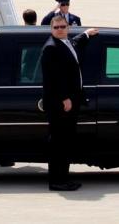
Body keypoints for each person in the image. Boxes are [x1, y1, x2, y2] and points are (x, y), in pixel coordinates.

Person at [41, 16, 99, 191]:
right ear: (51, 29)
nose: (59, 29)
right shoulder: (51, 48)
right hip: (60, 104)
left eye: (62, 26)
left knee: (66, 142)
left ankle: (64, 178)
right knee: (59, 144)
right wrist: (64, 98)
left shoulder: (66, 42)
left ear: (68, 28)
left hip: (70, 102)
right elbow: (53, 77)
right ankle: (57, 181)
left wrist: (86, 34)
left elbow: (75, 43)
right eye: (56, 27)